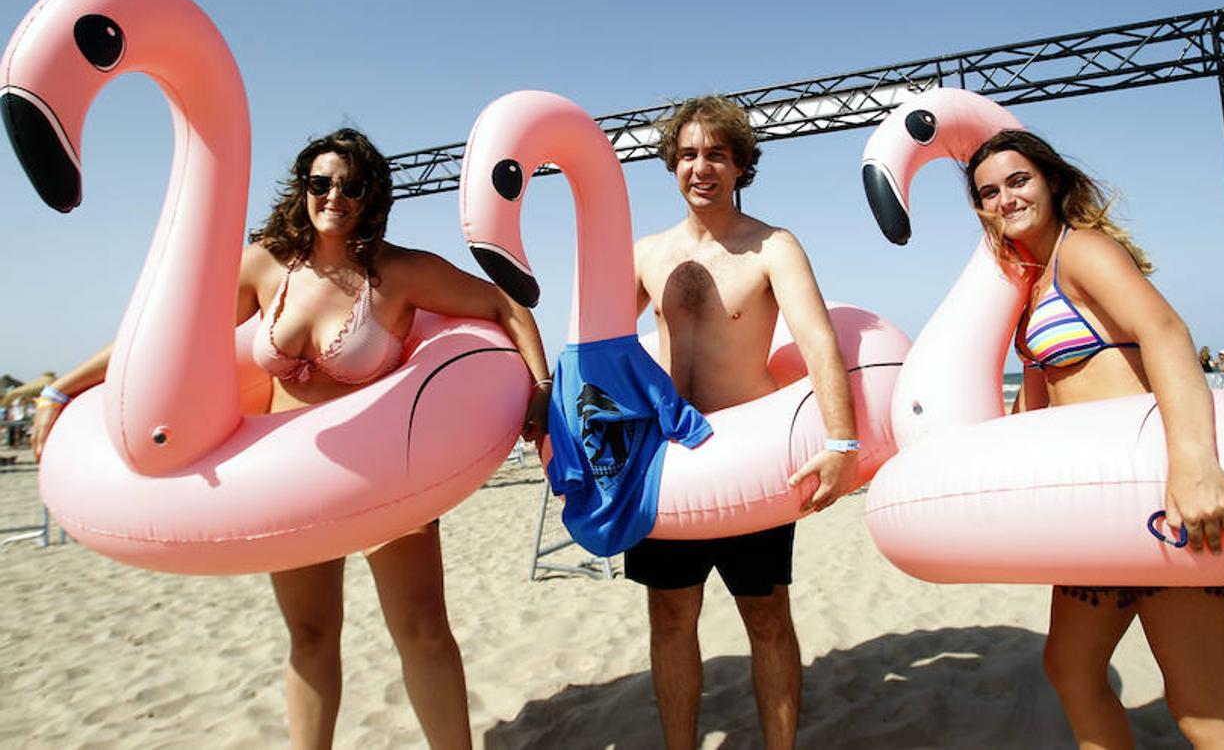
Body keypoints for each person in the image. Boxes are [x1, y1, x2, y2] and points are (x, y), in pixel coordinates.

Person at [31, 128, 552, 750]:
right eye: (321, 182)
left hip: (381, 476)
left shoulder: (399, 273)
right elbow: (162, 340)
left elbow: (507, 306)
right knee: (309, 637)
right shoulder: (264, 264)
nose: (335, 196)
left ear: (372, 197)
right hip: (288, 483)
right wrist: (63, 387)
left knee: (422, 631)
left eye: (352, 186)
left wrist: (542, 386)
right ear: (302, 188)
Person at [967, 130, 1224, 749]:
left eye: (1017, 180)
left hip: (1156, 495)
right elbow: (1042, 398)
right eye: (989, 192)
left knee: (1203, 709)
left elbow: (1166, 332)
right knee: (1070, 670)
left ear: (1051, 181)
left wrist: (1194, 466)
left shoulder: (1085, 252)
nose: (1005, 198)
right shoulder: (1033, 279)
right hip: (1099, 513)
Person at [629, 96, 860, 749]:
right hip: (668, 463)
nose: (700, 167)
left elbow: (818, 342)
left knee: (764, 615)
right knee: (670, 615)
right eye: (687, 154)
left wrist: (840, 441)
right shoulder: (646, 252)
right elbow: (600, 346)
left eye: (715, 155)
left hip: (749, 463)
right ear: (672, 166)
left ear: (738, 166)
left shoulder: (771, 246)